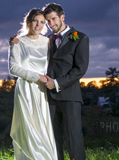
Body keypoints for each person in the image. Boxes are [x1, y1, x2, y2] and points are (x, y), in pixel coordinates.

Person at [10, 3, 89, 160]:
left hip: (69, 96)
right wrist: (14, 42)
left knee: (74, 139)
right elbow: (30, 47)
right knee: (52, 140)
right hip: (48, 98)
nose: (51, 24)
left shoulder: (79, 38)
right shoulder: (48, 40)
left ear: (62, 17)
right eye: (48, 21)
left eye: (53, 19)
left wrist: (57, 83)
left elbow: (80, 69)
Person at [8, 8, 58, 160]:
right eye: (36, 21)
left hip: (42, 91)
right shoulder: (18, 41)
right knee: (29, 129)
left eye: (42, 22)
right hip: (25, 90)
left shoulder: (48, 42)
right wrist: (38, 77)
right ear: (28, 22)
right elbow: (13, 68)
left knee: (43, 127)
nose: (39, 25)